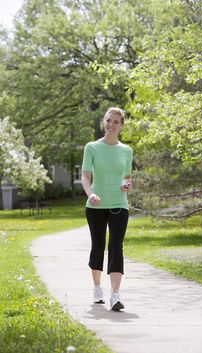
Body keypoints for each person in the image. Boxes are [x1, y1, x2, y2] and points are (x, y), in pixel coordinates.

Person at [81, 107, 133, 311]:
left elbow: (127, 177)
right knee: (98, 245)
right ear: (104, 122)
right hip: (96, 205)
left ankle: (115, 295)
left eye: (116, 122)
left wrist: (126, 185)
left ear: (121, 126)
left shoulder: (127, 150)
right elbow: (85, 176)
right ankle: (97, 288)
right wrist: (90, 194)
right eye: (108, 121)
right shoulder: (92, 147)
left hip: (120, 204)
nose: (111, 125)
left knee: (116, 247)